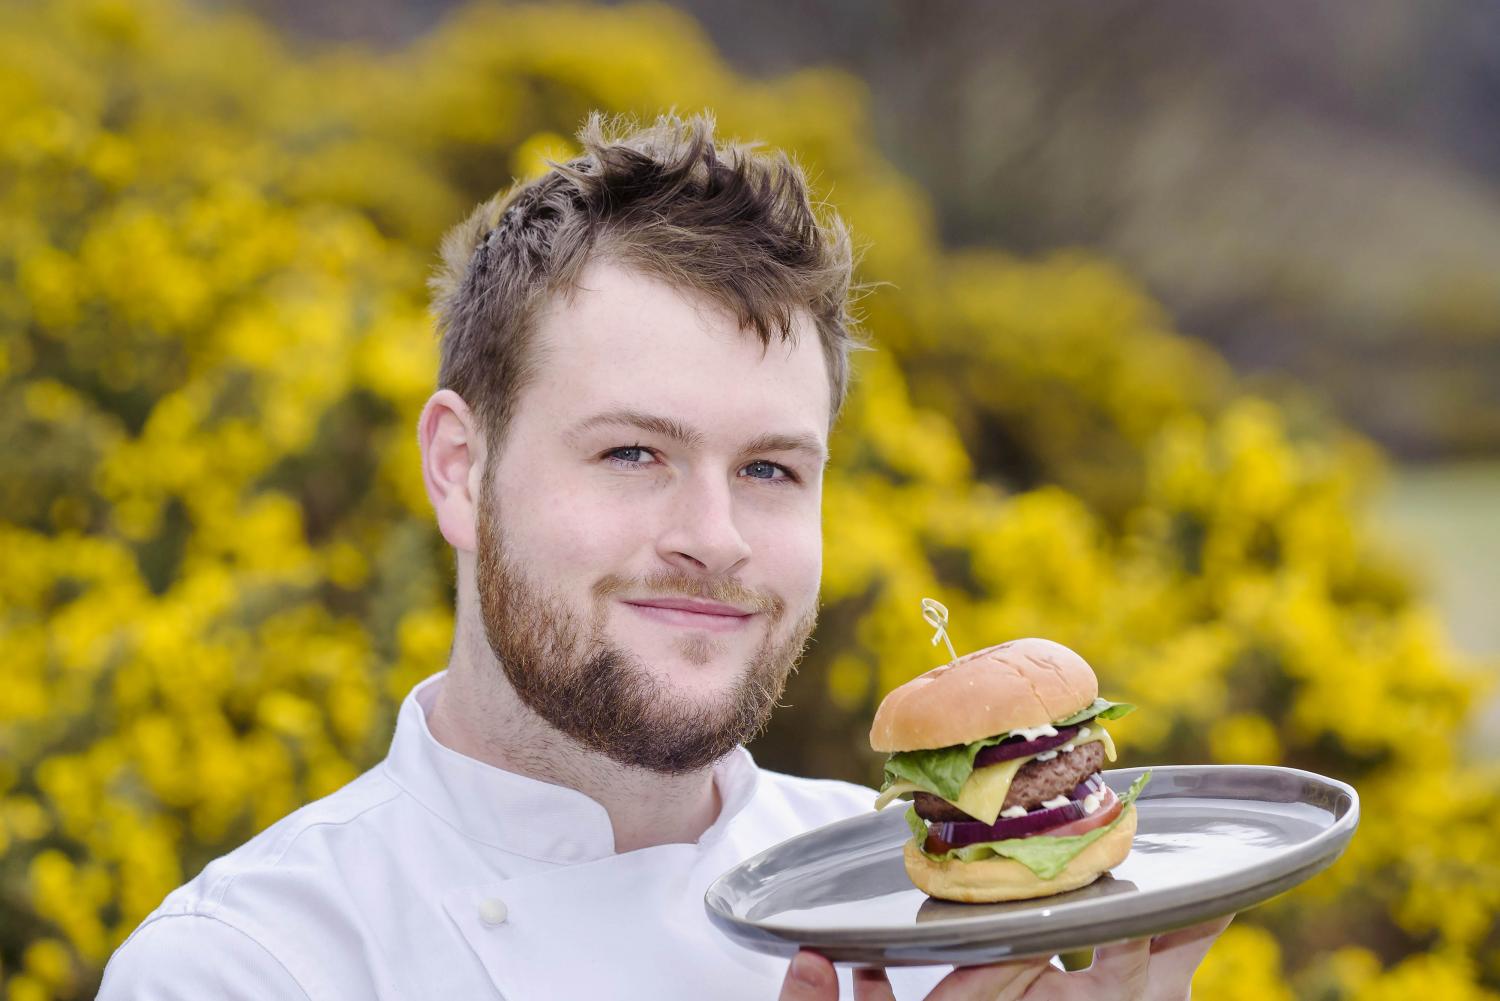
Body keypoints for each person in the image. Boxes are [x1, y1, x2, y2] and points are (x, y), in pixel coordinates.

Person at [98, 113, 1230, 1000]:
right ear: (458, 468)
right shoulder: (245, 966)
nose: (716, 537)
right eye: (634, 450)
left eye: (771, 468)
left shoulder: (944, 917)